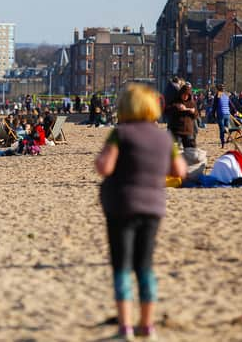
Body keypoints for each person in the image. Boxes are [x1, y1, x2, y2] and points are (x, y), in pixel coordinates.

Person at [95, 84, 187, 341]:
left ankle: (125, 328)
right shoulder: (164, 137)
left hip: (122, 204)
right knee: (145, 266)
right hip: (153, 206)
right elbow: (180, 169)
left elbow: (105, 166)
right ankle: (147, 326)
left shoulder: (120, 134)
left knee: (122, 267)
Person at [211, 84, 236, 148]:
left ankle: (222, 144)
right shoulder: (227, 94)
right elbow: (231, 104)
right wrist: (235, 110)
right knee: (227, 128)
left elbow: (214, 105)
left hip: (221, 114)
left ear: (218, 89)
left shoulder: (218, 94)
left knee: (221, 130)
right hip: (227, 113)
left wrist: (213, 114)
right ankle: (227, 135)